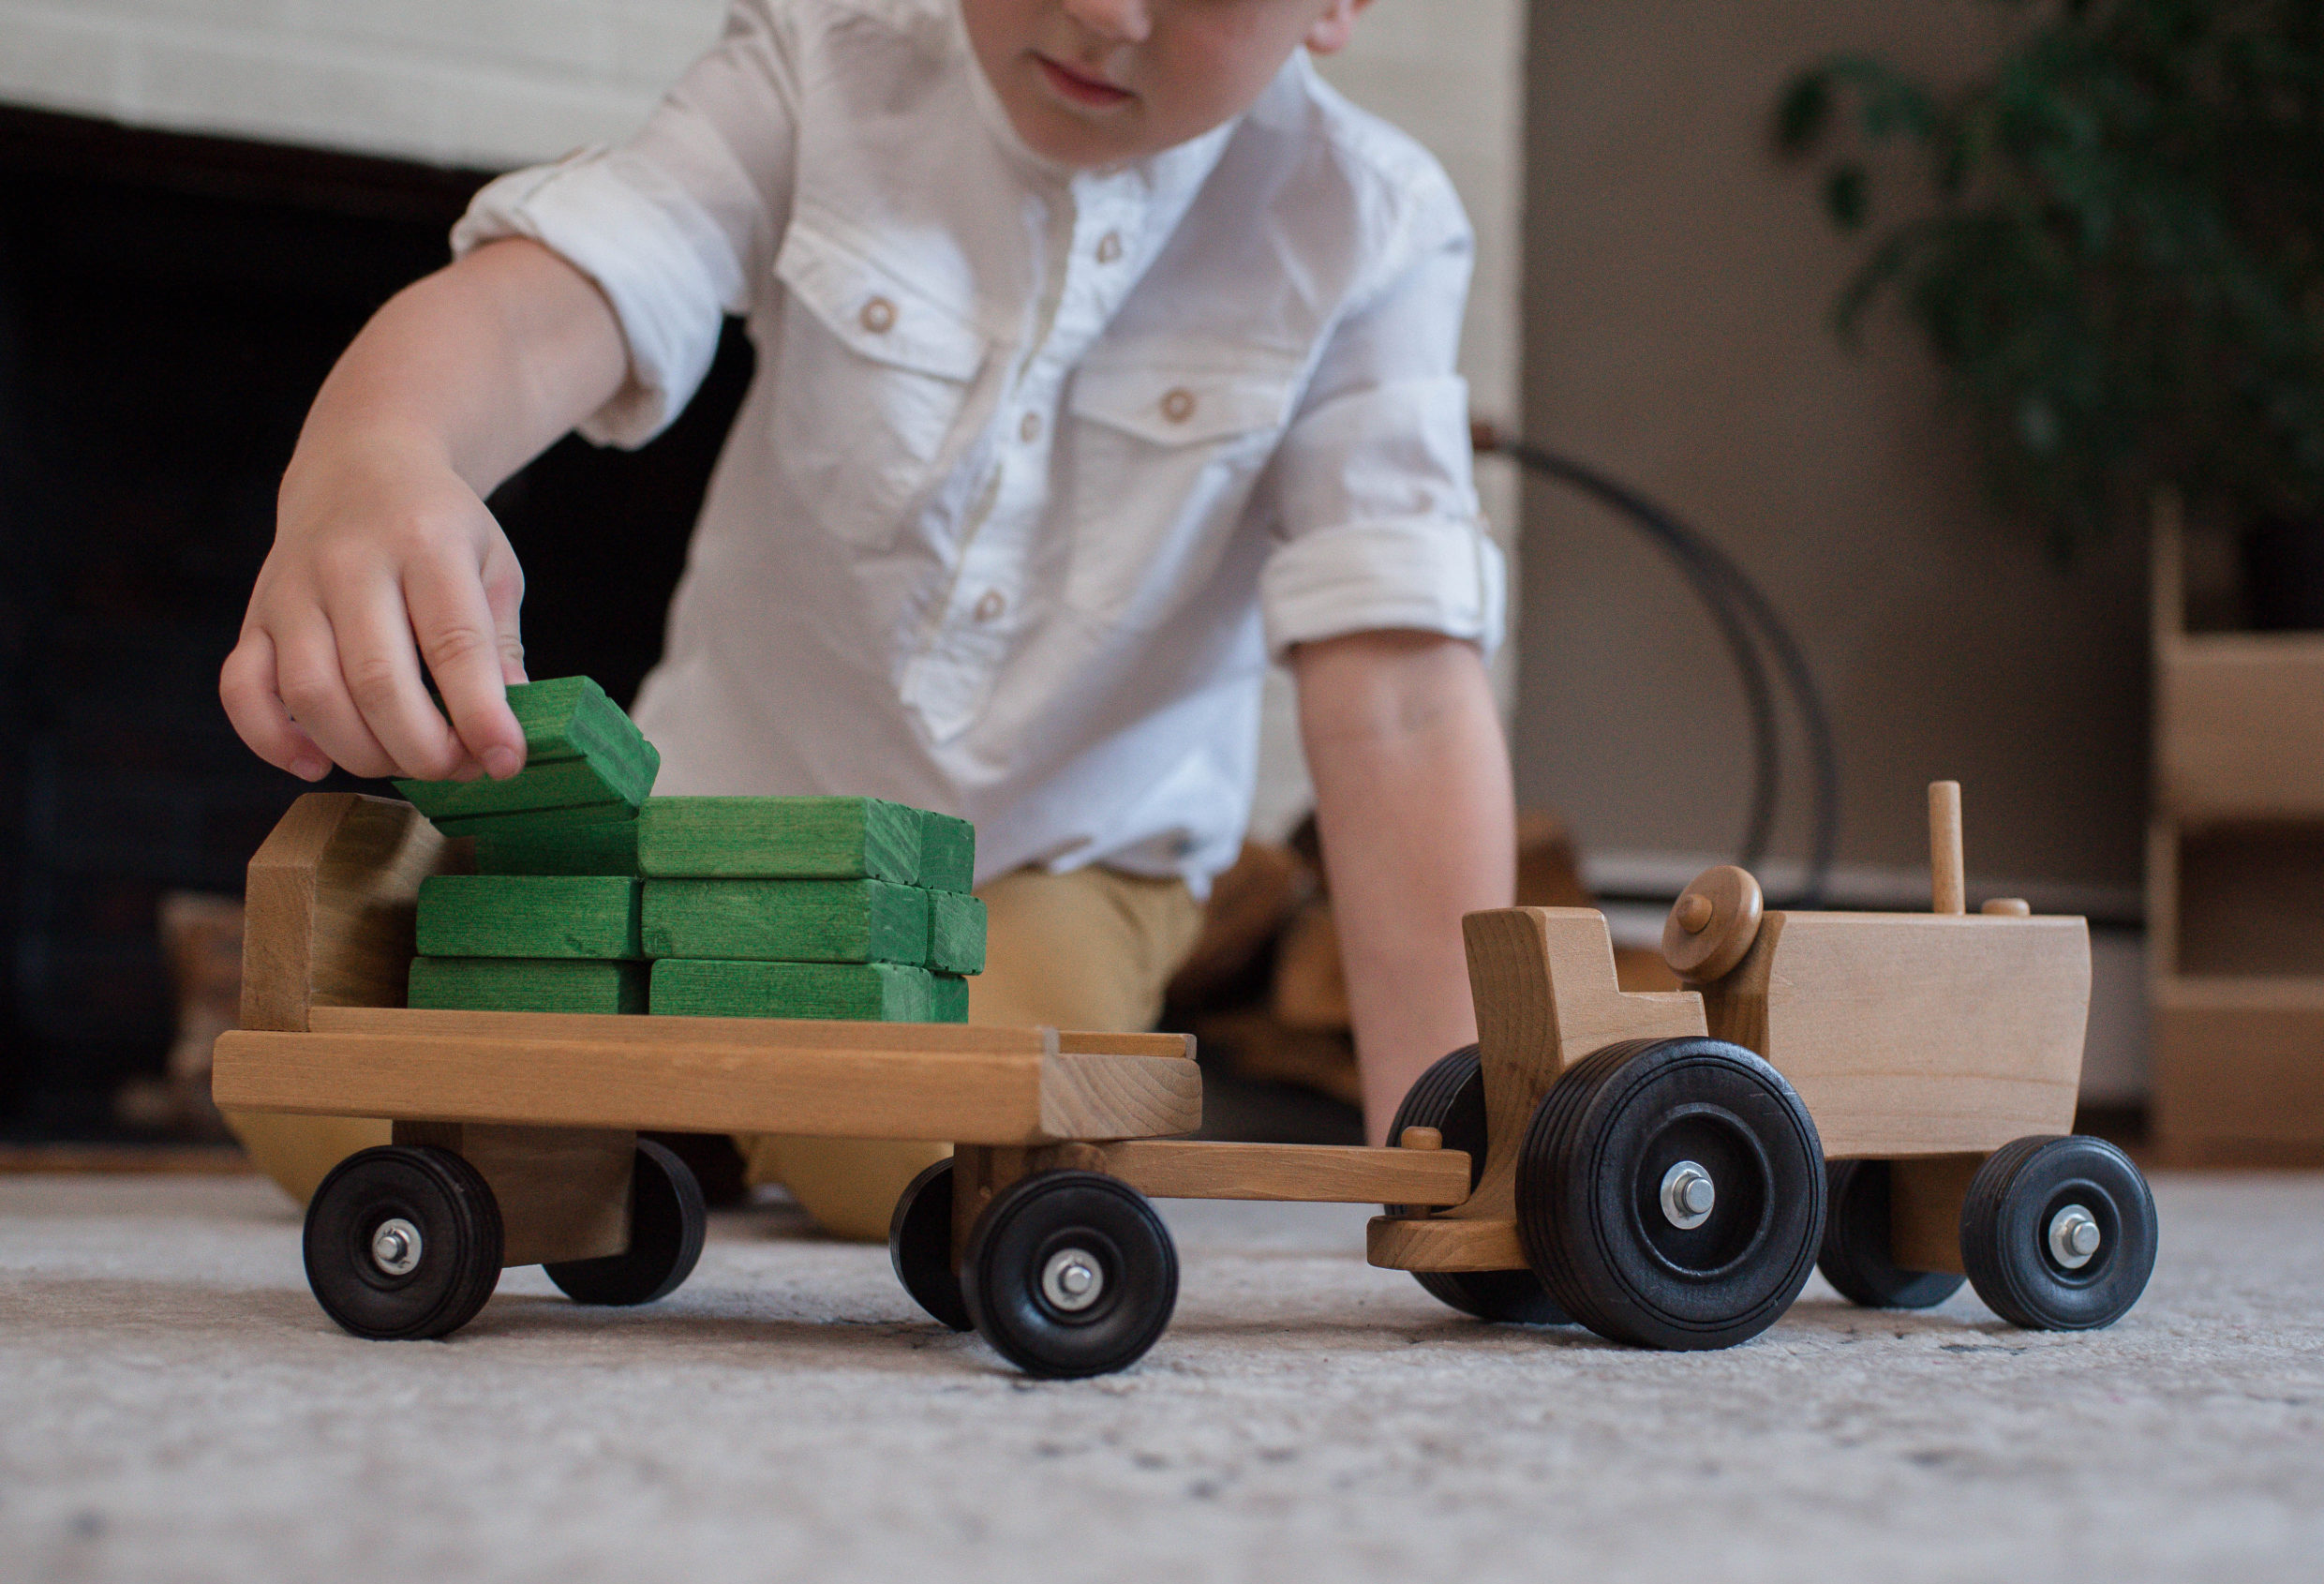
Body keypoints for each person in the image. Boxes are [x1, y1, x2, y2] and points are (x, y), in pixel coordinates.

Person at [219, 0, 1515, 1237]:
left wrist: (1463, 1142)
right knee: (347, 1107)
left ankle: (693, 1112)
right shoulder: (820, 60)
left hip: (1045, 863)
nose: (1102, 16)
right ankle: (686, 1110)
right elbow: (545, 300)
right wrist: (379, 448)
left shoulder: (1372, 227)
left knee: (934, 1138)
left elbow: (1398, 693)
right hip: (717, 817)